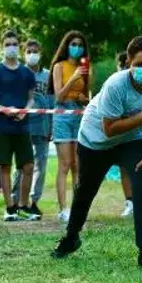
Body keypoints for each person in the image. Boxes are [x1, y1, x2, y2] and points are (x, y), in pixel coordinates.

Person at [52, 36, 142, 268]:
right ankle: (71, 237)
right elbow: (109, 129)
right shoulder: (116, 85)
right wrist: (140, 118)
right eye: (140, 64)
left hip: (133, 139)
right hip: (95, 139)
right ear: (129, 62)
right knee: (85, 191)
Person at [0, 30, 39, 221]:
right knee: (5, 167)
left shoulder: (26, 72)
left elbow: (32, 98)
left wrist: (25, 109)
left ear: (19, 46)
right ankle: (10, 208)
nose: (11, 47)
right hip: (2, 126)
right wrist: (4, 109)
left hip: (22, 127)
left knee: (28, 166)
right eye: (8, 44)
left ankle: (24, 205)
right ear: (2, 47)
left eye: (14, 44)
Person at [48, 30, 92, 222]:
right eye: (73, 44)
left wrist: (84, 99)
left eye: (80, 45)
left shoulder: (86, 67)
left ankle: (76, 209)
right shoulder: (59, 66)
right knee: (65, 164)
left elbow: (86, 97)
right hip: (62, 115)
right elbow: (58, 96)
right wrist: (74, 78)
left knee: (77, 165)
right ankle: (62, 209)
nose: (76, 48)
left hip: (79, 115)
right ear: (67, 46)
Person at [12, 39, 52, 218]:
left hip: (42, 125)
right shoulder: (18, 73)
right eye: (29, 51)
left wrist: (50, 125)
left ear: (41, 53)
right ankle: (16, 200)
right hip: (23, 125)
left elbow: (52, 101)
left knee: (41, 166)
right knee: (21, 165)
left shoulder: (48, 76)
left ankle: (34, 201)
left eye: (35, 51)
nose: (32, 54)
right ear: (23, 53)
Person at [116, 51, 134, 218]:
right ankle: (129, 202)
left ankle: (141, 200)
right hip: (121, 131)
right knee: (124, 168)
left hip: (138, 131)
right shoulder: (116, 83)